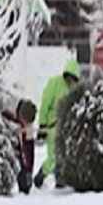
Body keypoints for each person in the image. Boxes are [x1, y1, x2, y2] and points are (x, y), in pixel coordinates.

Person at [34, 59, 79, 188]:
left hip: (66, 130)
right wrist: (42, 124)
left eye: (73, 79)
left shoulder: (75, 91)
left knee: (64, 158)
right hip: (52, 128)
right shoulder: (54, 83)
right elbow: (45, 104)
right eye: (69, 78)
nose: (70, 82)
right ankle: (40, 176)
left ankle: (60, 181)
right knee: (53, 157)